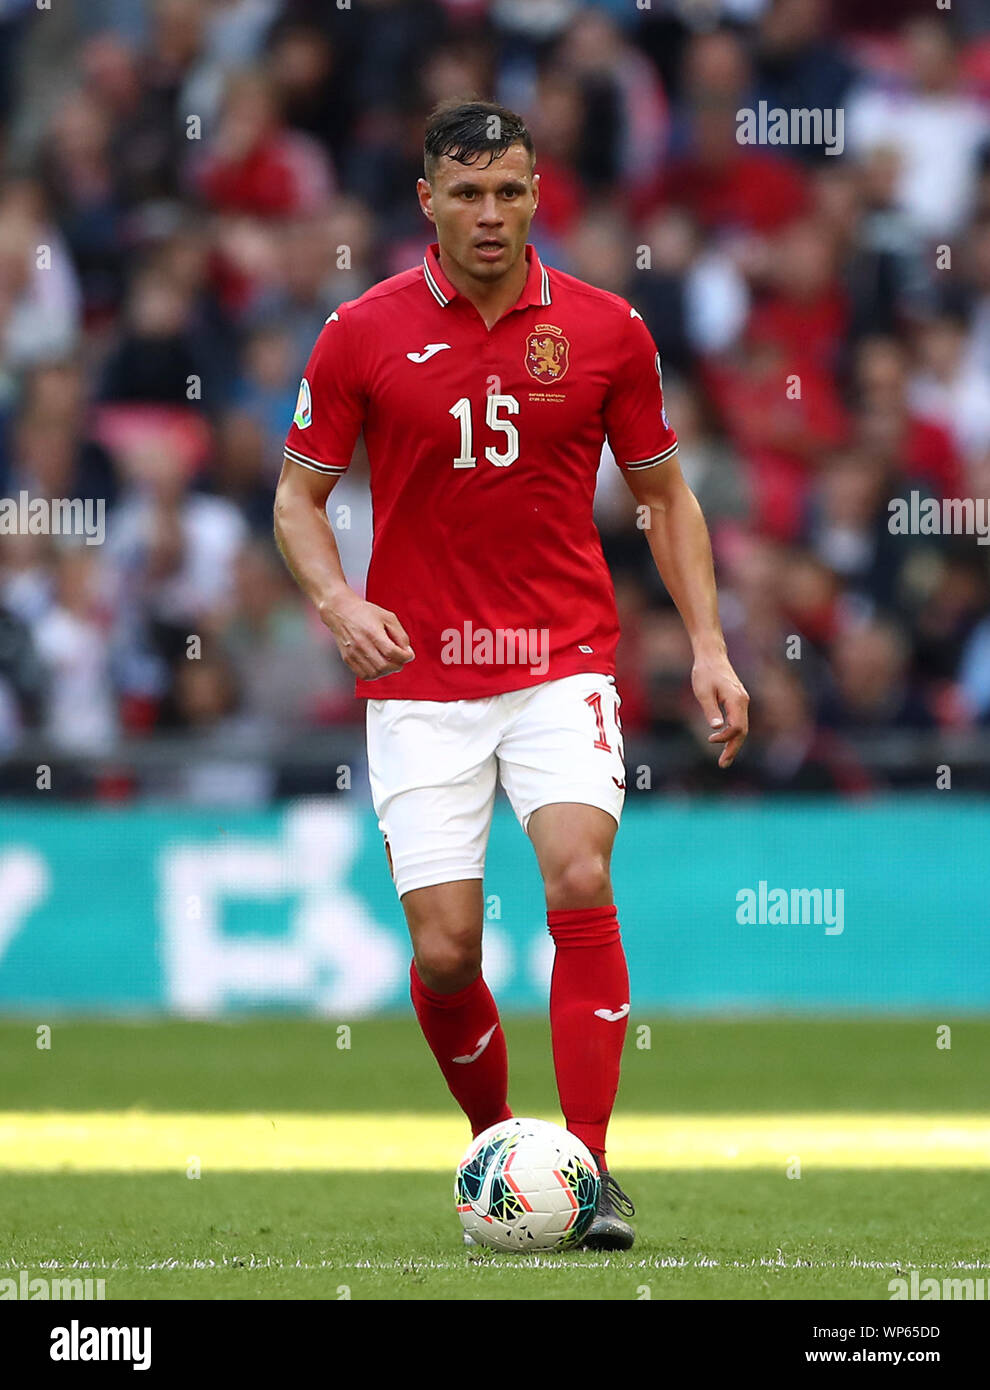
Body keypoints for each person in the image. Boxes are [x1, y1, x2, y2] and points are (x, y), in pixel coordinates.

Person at [274, 100, 749, 1250]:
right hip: (420, 675)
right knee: (444, 948)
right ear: (426, 199)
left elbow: (665, 497)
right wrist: (340, 601)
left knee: (579, 871)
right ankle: (503, 1151)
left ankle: (586, 1171)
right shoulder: (358, 334)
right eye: (468, 192)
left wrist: (711, 645)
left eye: (512, 192)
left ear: (539, 196)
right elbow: (297, 497)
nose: (491, 214)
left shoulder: (606, 331)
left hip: (559, 657)